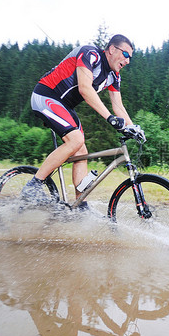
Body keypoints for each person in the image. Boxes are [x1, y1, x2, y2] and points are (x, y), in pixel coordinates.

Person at [22, 34, 139, 210]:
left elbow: (119, 106)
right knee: (76, 140)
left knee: (81, 151)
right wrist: (109, 118)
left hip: (65, 106)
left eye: (130, 57)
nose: (128, 61)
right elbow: (85, 88)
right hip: (46, 95)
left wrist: (134, 128)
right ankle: (33, 186)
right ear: (113, 49)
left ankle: (80, 205)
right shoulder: (91, 54)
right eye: (126, 54)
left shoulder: (114, 76)